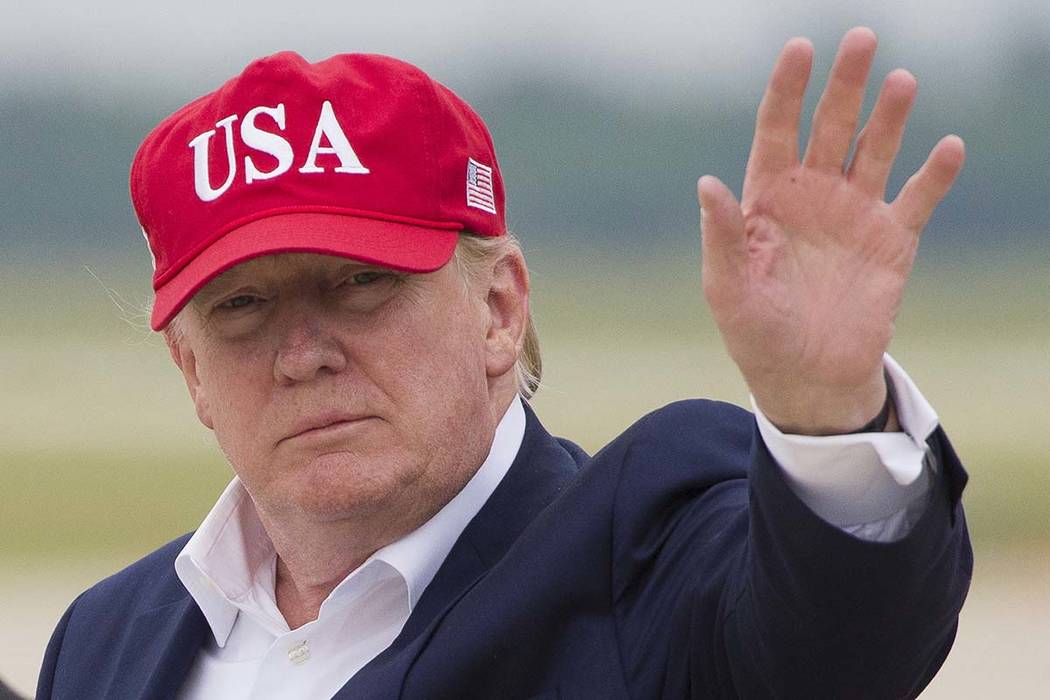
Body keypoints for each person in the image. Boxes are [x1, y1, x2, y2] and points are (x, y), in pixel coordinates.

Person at [36, 26, 971, 699]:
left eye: (361, 283)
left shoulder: (646, 561)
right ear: (191, 370)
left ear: (498, 307)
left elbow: (838, 646)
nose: (303, 355)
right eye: (241, 307)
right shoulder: (108, 639)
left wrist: (829, 416)